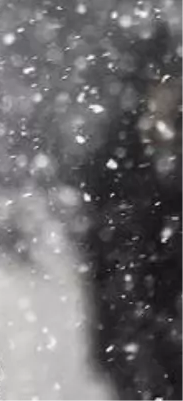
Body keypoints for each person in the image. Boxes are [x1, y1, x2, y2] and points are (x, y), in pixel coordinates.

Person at [75, 22, 183, 399]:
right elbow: (106, 258)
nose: (168, 94)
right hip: (134, 327)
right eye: (162, 82)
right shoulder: (117, 158)